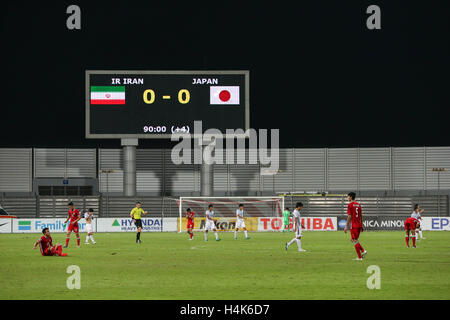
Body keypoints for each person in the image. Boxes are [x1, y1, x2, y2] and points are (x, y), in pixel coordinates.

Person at [344, 192, 367, 261]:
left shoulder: (350, 205)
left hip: (354, 225)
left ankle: (362, 253)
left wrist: (346, 226)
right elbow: (361, 215)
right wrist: (362, 224)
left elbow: (349, 216)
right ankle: (361, 255)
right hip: (359, 225)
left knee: (354, 240)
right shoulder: (358, 205)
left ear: (351, 197)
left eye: (348, 197)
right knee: (353, 240)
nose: (347, 198)